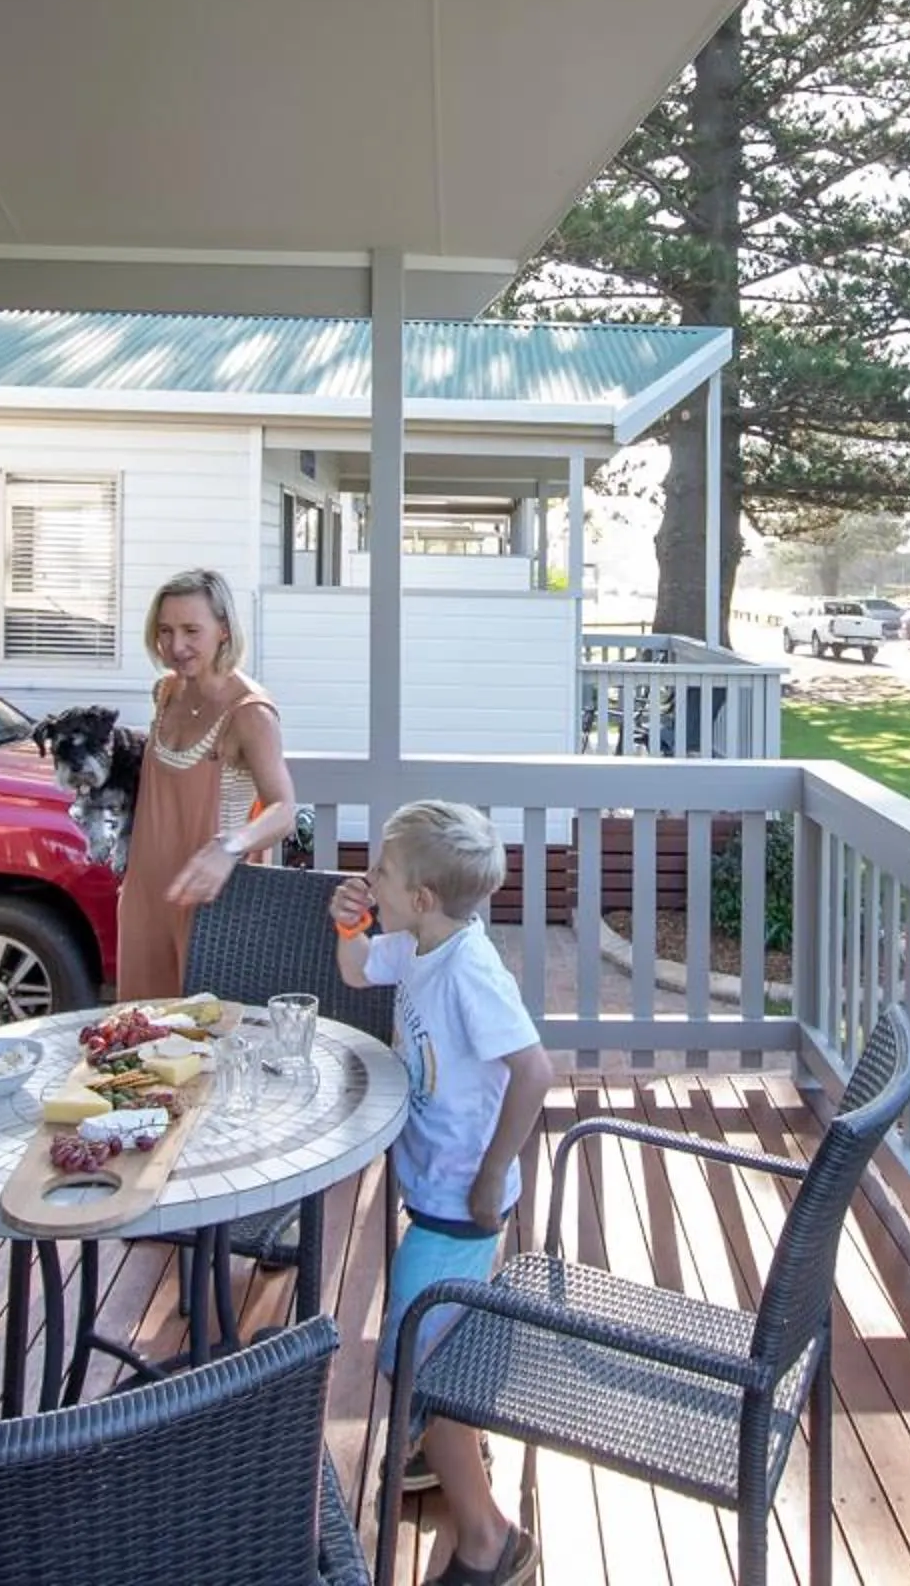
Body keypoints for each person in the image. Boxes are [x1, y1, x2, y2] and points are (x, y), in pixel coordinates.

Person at [334, 802, 557, 1586]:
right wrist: (349, 926)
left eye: (382, 875)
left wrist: (494, 1172)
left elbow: (534, 1072)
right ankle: (442, 1442)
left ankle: (490, 1542)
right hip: (436, 1195)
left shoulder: (468, 971)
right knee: (442, 1342)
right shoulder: (419, 946)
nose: (369, 879)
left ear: (422, 899)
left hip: (464, 1204)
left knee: (415, 1349)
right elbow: (358, 971)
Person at [117, 567, 298, 999]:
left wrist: (230, 847)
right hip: (147, 897)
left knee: (209, 1045)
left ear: (223, 630)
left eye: (191, 630)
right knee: (140, 1044)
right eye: (165, 631)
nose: (176, 646)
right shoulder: (166, 693)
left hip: (215, 905)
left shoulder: (249, 711)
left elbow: (285, 809)